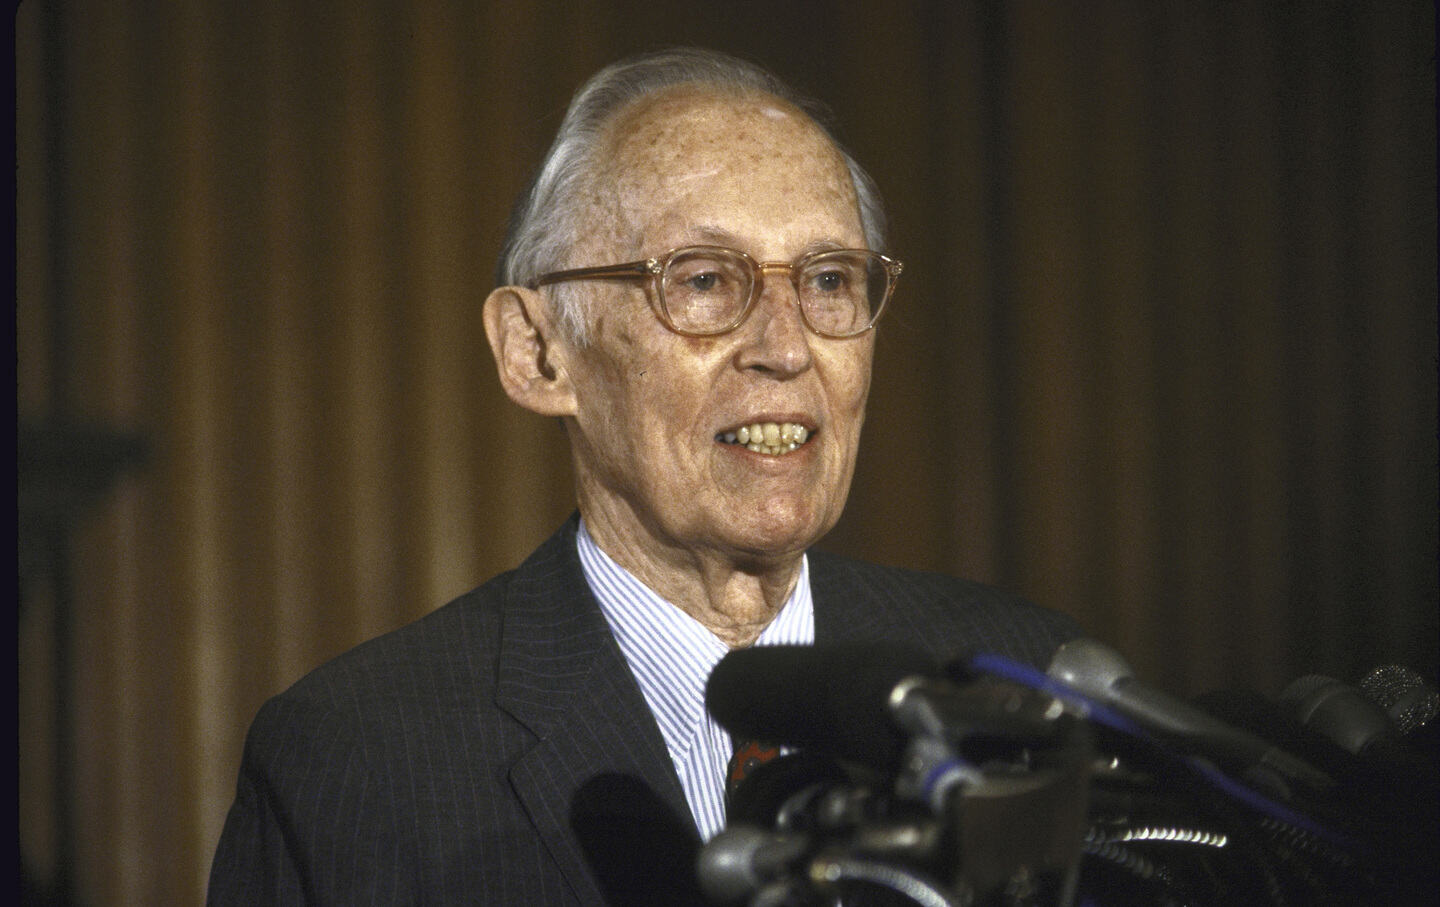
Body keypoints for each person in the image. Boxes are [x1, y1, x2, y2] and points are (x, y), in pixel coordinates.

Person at [208, 47, 1079, 905]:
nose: (785, 347)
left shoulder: (1024, 684)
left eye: (827, 280)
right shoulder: (361, 761)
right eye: (702, 281)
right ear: (539, 352)